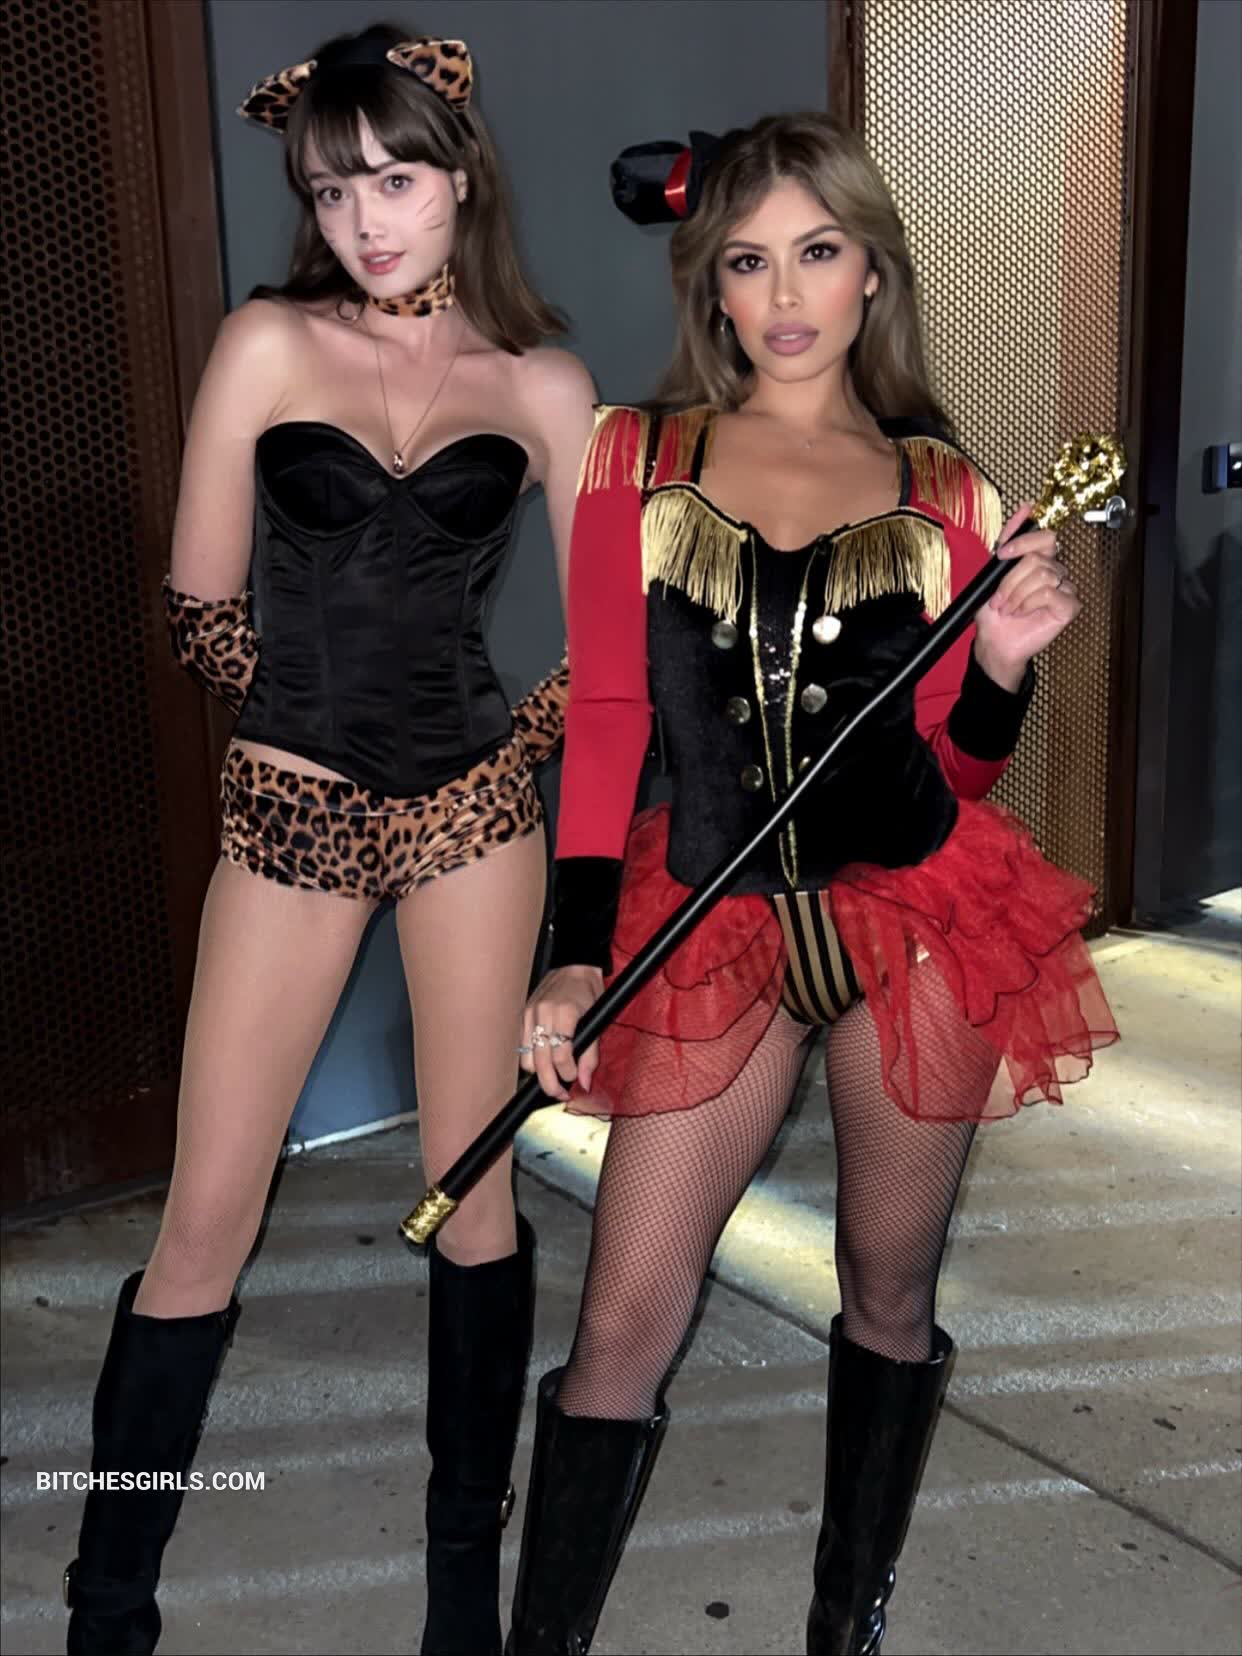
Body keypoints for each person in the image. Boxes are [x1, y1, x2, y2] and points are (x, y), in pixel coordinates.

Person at [508, 114, 1117, 1655]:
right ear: (709, 285)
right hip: (704, 920)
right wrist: (572, 951)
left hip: (915, 921)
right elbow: (609, 721)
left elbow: (953, 775)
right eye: (747, 261)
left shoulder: (945, 488)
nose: (783, 296)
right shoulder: (635, 455)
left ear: (870, 274)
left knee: (885, 1291)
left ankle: (844, 1621)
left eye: (817, 253)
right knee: (621, 1319)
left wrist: (1000, 669)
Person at [62, 24, 594, 1656]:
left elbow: (612, 657)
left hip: (473, 821)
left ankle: (459, 1602)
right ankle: (107, 1606)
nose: (366, 218)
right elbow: (198, 608)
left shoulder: (542, 382)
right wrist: (302, 741)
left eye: (396, 180)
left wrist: (501, 762)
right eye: (332, 188)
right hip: (291, 810)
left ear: (461, 180)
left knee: (474, 1205)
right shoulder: (267, 342)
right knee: (202, 1224)